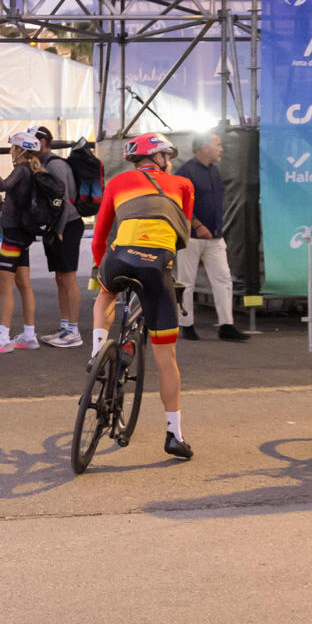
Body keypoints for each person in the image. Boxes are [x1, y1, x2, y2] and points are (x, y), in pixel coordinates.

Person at [90, 133, 197, 460]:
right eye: (169, 156)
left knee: (106, 296)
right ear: (161, 157)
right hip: (157, 264)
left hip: (120, 257)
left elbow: (99, 233)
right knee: (167, 360)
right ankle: (174, 435)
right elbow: (184, 234)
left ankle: (97, 352)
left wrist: (100, 267)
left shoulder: (118, 181)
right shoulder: (184, 184)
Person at [0, 130, 46, 353]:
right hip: (22, 235)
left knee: (4, 285)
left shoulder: (21, 170)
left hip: (14, 235)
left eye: (13, 148)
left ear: (20, 150)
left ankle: (4, 337)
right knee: (23, 283)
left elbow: (4, 186)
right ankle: (28, 334)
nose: (10, 152)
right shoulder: (31, 170)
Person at [176, 132, 247, 342]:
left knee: (223, 279)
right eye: (218, 145)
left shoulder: (214, 171)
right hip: (191, 238)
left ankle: (226, 325)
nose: (221, 149)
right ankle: (186, 324)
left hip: (215, 237)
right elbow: (179, 204)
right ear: (205, 147)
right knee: (186, 282)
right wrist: (197, 225)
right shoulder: (185, 172)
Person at [31, 128, 85, 348]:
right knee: (60, 278)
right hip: (58, 227)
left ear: (43, 142)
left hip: (68, 226)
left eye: (32, 142)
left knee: (68, 278)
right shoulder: (43, 164)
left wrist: (59, 229)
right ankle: (65, 326)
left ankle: (74, 331)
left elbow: (64, 199)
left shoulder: (55, 165)